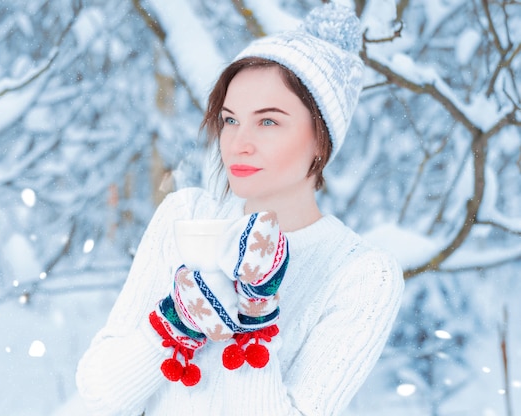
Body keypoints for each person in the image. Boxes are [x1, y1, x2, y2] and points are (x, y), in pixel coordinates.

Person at [75, 3, 404, 415]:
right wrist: (174, 322)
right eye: (230, 120)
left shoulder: (361, 274)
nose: (238, 142)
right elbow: (100, 394)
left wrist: (255, 317)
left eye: (268, 122)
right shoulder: (187, 217)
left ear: (321, 140)